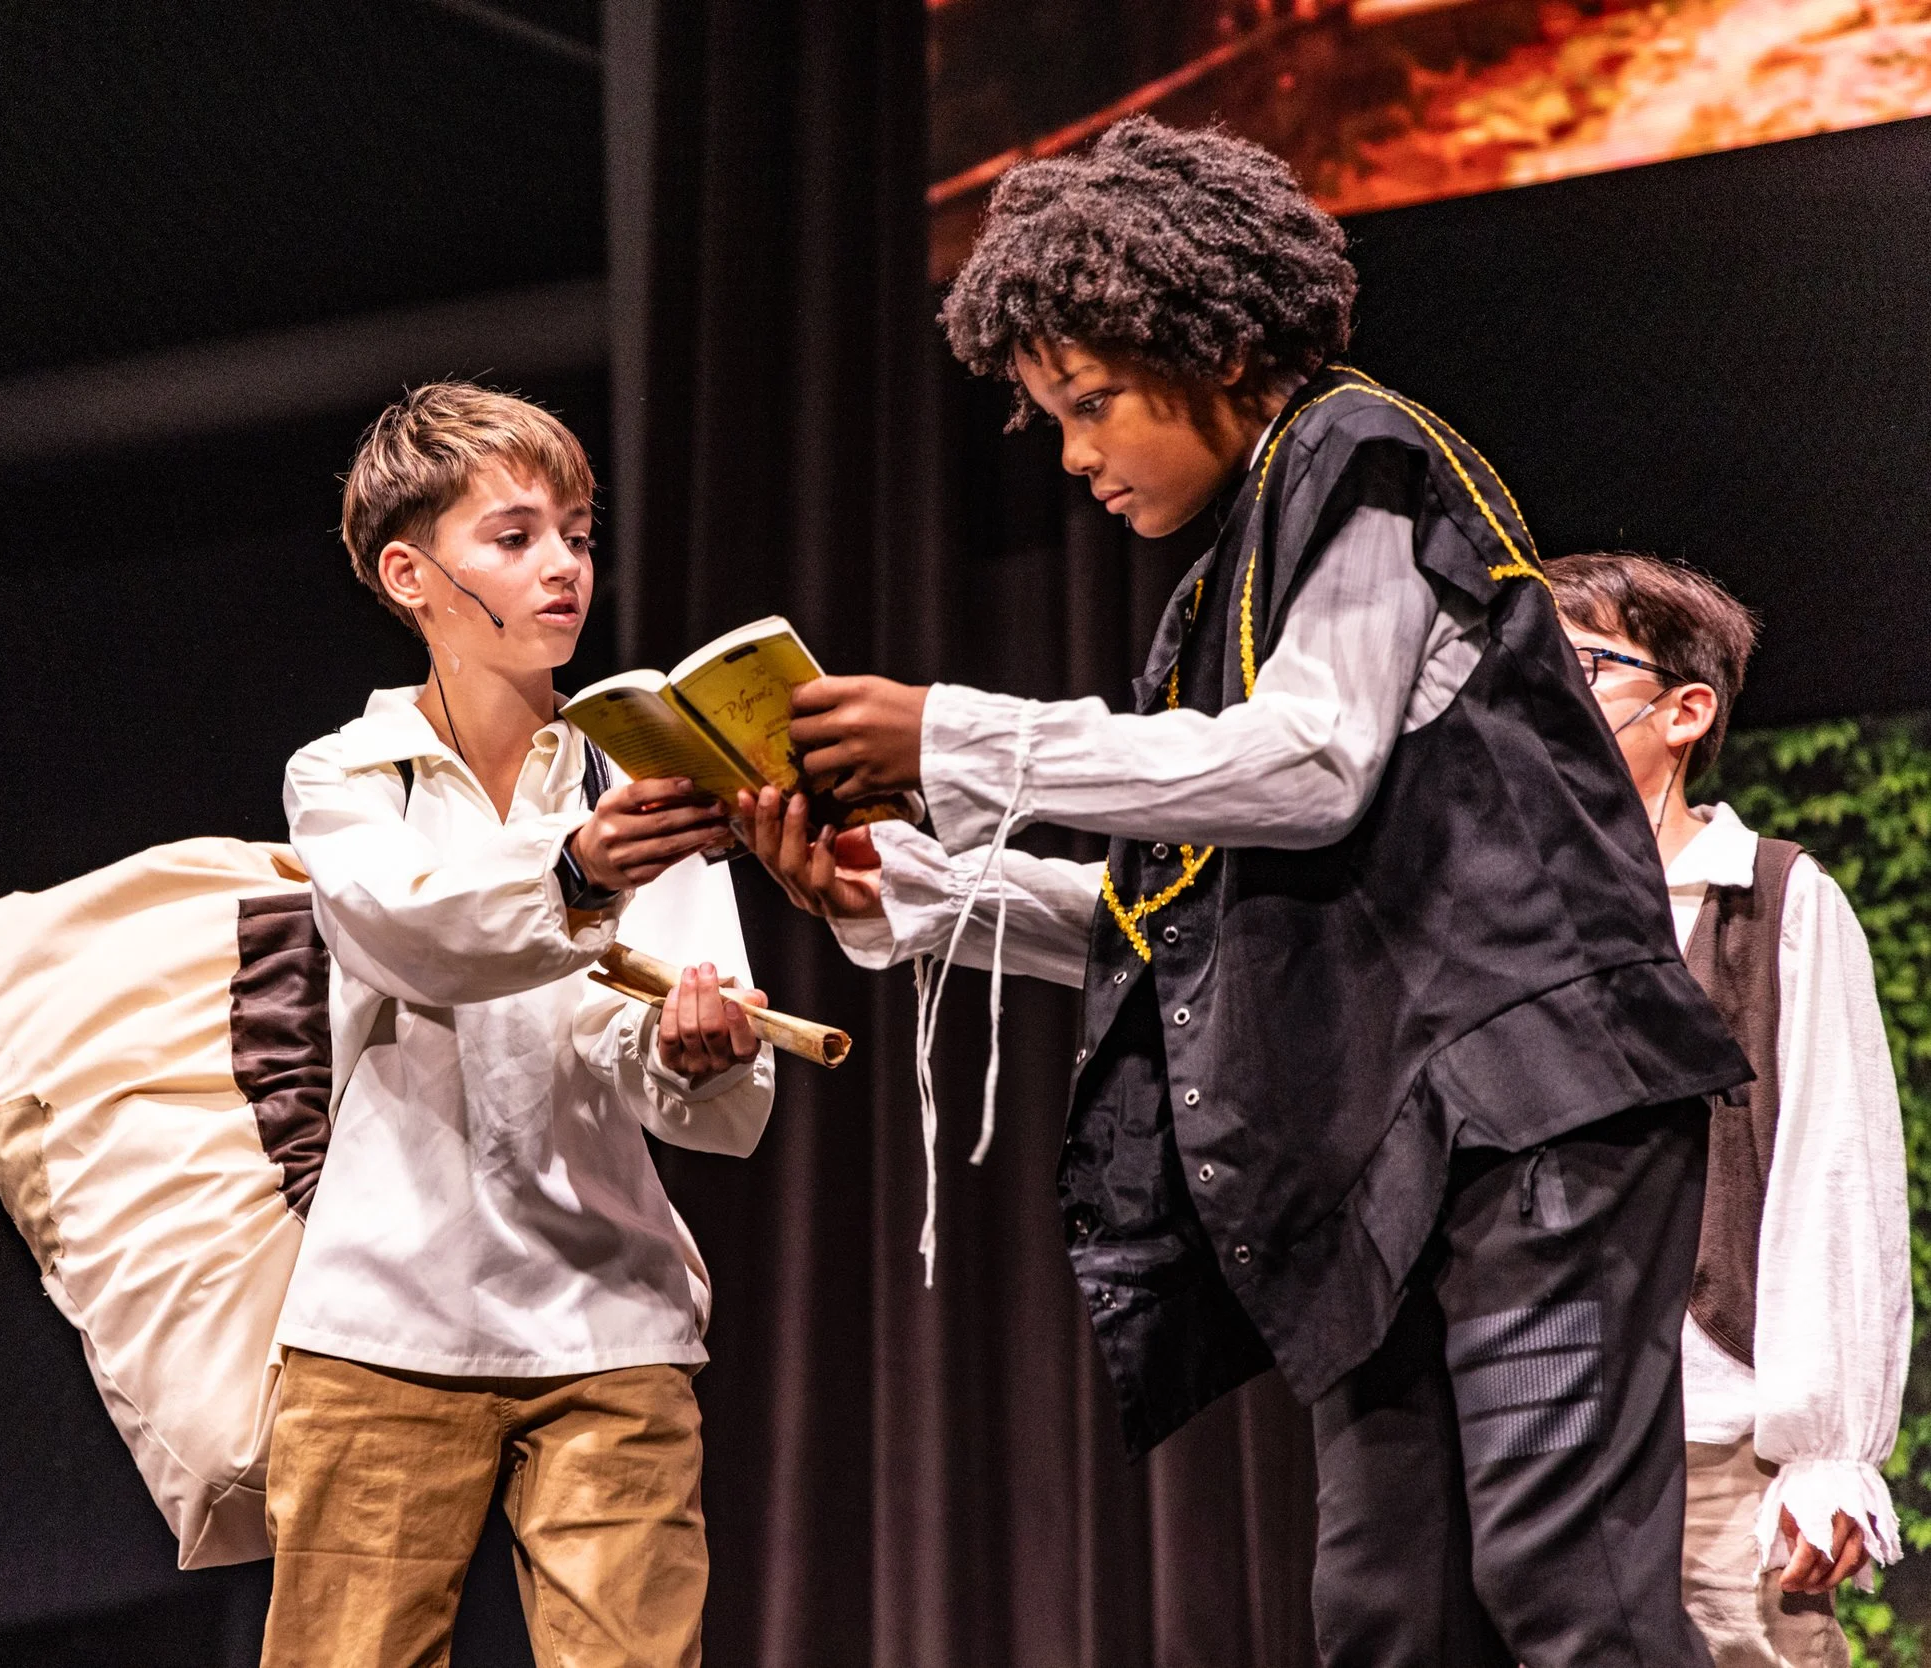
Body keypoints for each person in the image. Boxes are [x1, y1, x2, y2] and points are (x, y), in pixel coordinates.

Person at [740, 117, 1749, 1666]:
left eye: (1091, 404)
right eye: (1053, 419)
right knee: (1387, 1617)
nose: (1074, 455)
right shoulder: (1219, 590)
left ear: (1204, 343)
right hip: (1397, 1157)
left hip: (1534, 1111)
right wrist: (912, 895)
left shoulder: (1359, 451)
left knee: (1566, 1592)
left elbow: (1309, 766)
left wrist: (950, 730)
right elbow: (1183, 923)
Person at [268, 382, 773, 1668]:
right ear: (410, 573)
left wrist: (696, 1050)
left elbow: (687, 1079)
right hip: (386, 1320)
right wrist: (577, 875)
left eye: (579, 534)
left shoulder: (643, 773)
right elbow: (405, 929)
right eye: (514, 536)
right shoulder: (345, 775)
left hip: (611, 1314)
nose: (563, 566)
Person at [1547, 551, 1908, 1667]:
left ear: (1683, 710)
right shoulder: (1497, 912)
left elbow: (1833, 1173)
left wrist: (1824, 1453)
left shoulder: (1771, 901)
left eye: (1578, 667)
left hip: (1713, 1448)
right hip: (1535, 1447)